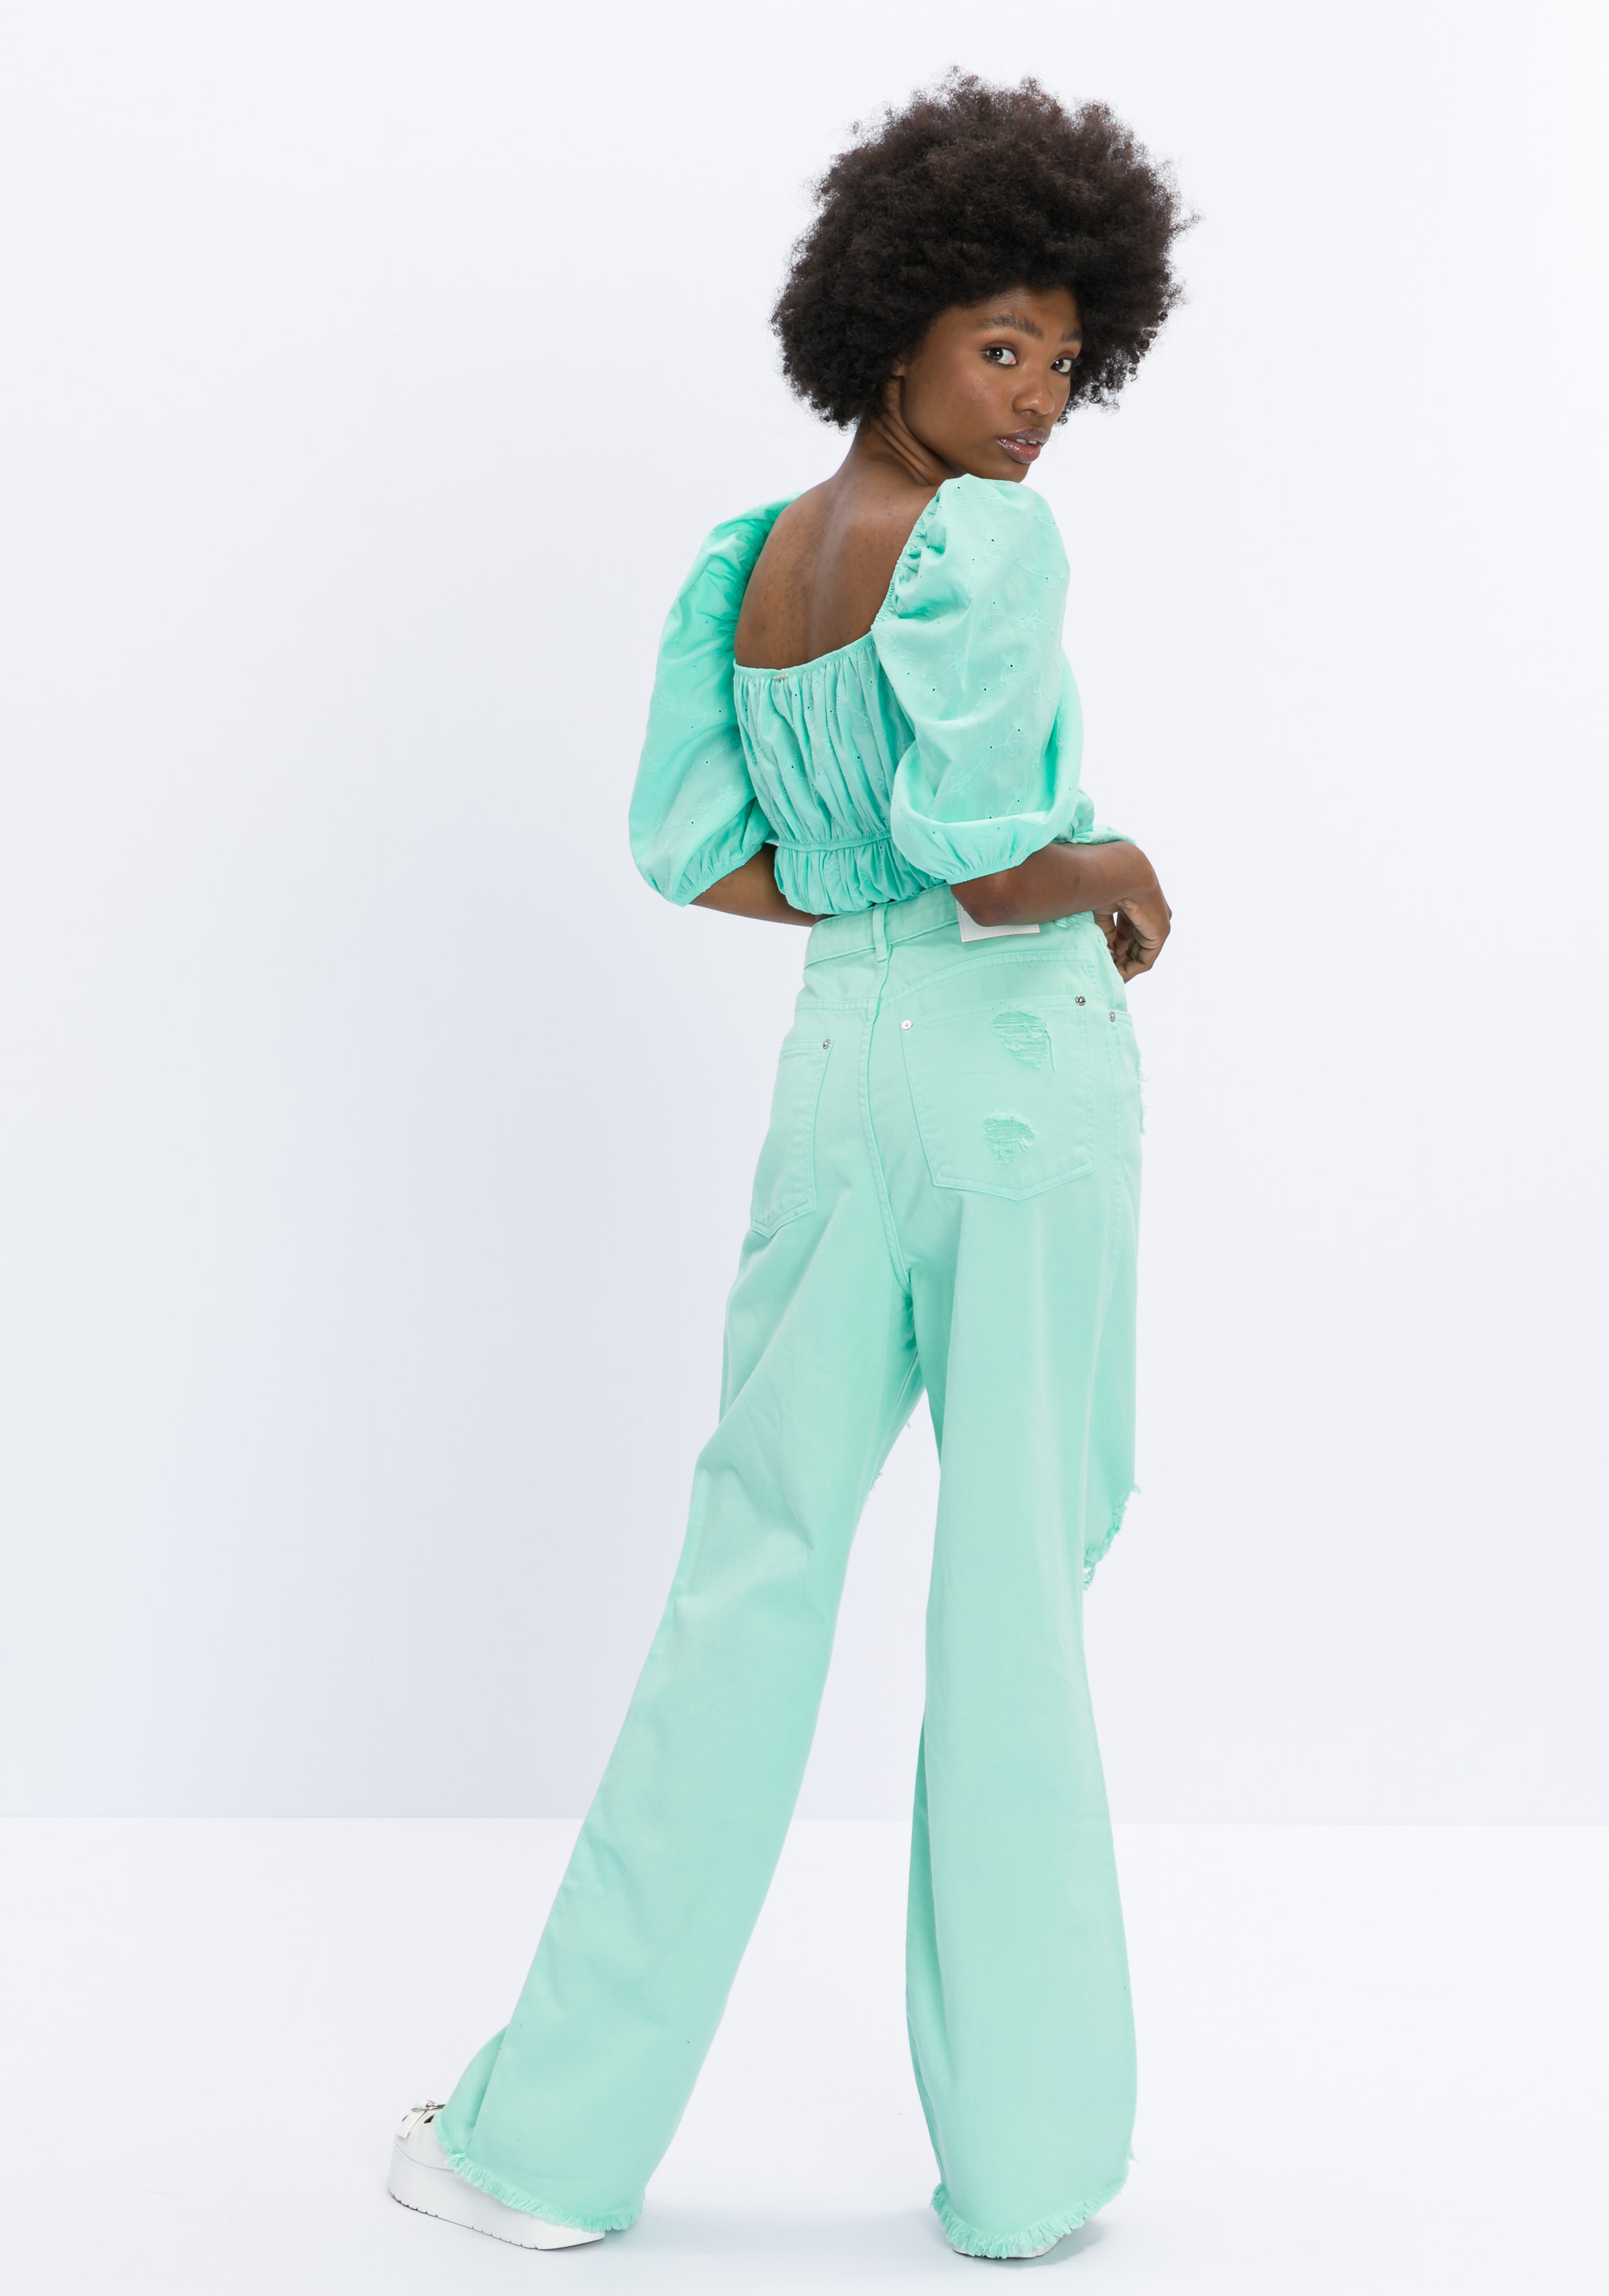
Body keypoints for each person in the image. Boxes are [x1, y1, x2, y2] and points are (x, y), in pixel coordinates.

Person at [388, 72, 1187, 2262]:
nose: (1035, 402)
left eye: (1063, 359)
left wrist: (879, 901)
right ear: (892, 320)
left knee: (750, 1570)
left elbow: (702, 849)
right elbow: (992, 859)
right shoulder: (988, 545)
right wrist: (1117, 867)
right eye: (1000, 345)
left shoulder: (748, 566)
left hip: (838, 1072)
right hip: (1013, 1081)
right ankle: (1026, 2171)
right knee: (1012, 1595)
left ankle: (543, 2146)